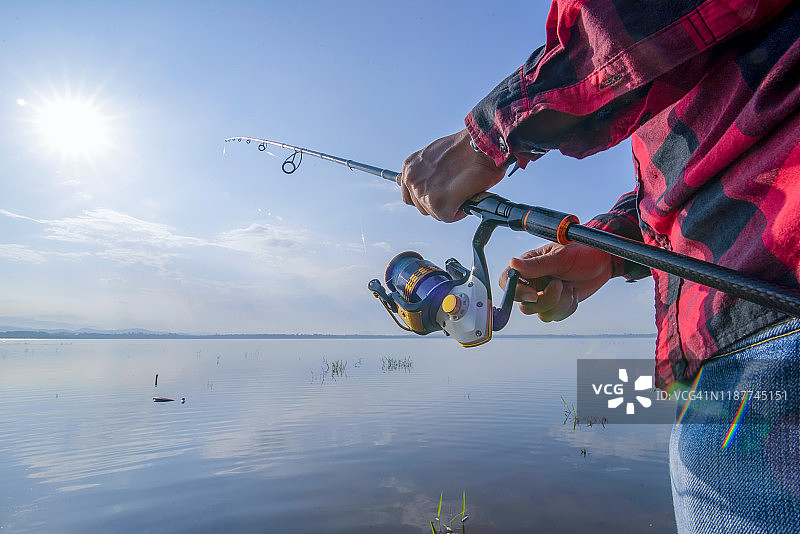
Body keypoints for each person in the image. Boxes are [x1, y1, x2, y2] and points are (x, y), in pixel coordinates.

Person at [398, 1, 800, 533]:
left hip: (764, 329)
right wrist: (608, 252)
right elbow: (684, 171)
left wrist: (489, 134)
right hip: (741, 328)